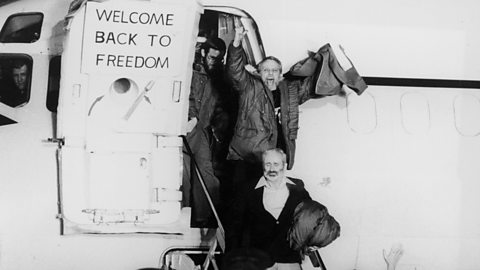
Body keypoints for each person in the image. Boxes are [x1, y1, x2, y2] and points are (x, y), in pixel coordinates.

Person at [225, 24, 313, 199]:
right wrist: (237, 43)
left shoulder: (290, 91)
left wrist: (332, 61)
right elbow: (235, 70)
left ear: (280, 74)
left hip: (272, 160)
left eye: (274, 70)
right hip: (247, 158)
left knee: (268, 200)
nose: (270, 74)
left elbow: (315, 85)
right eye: (266, 70)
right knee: (241, 201)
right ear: (259, 73)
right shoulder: (250, 86)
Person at [225, 148, 311, 270]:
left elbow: (313, 217)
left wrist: (312, 242)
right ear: (263, 166)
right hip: (257, 259)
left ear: (284, 166)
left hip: (288, 258)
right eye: (268, 164)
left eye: (276, 164)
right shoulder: (247, 190)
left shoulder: (298, 188)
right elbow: (234, 227)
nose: (272, 169)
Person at [183, 36, 235, 227]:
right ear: (203, 53)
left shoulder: (219, 76)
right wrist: (192, 116)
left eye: (219, 59)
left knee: (206, 176)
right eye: (212, 58)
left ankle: (203, 219)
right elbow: (185, 96)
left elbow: (220, 106)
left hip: (202, 131)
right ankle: (184, 217)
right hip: (185, 129)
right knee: (184, 177)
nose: (215, 62)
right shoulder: (190, 70)